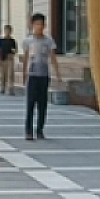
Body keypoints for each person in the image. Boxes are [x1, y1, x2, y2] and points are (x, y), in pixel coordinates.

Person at [20, 13, 60, 141]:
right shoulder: (28, 41)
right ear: (32, 25)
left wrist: (57, 73)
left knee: (42, 104)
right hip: (32, 75)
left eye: (41, 24)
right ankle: (28, 131)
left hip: (44, 75)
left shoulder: (48, 41)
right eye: (37, 24)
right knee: (30, 104)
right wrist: (24, 74)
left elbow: (52, 57)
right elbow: (25, 58)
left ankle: (40, 130)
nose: (39, 27)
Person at [0, 24, 20, 95]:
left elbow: (15, 50)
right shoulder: (1, 40)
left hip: (9, 59)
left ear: (11, 31)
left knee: (10, 74)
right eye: (6, 30)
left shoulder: (13, 41)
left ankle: (11, 88)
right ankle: (2, 88)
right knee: (3, 75)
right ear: (4, 31)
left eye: (9, 31)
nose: (7, 32)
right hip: (2, 58)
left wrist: (13, 54)